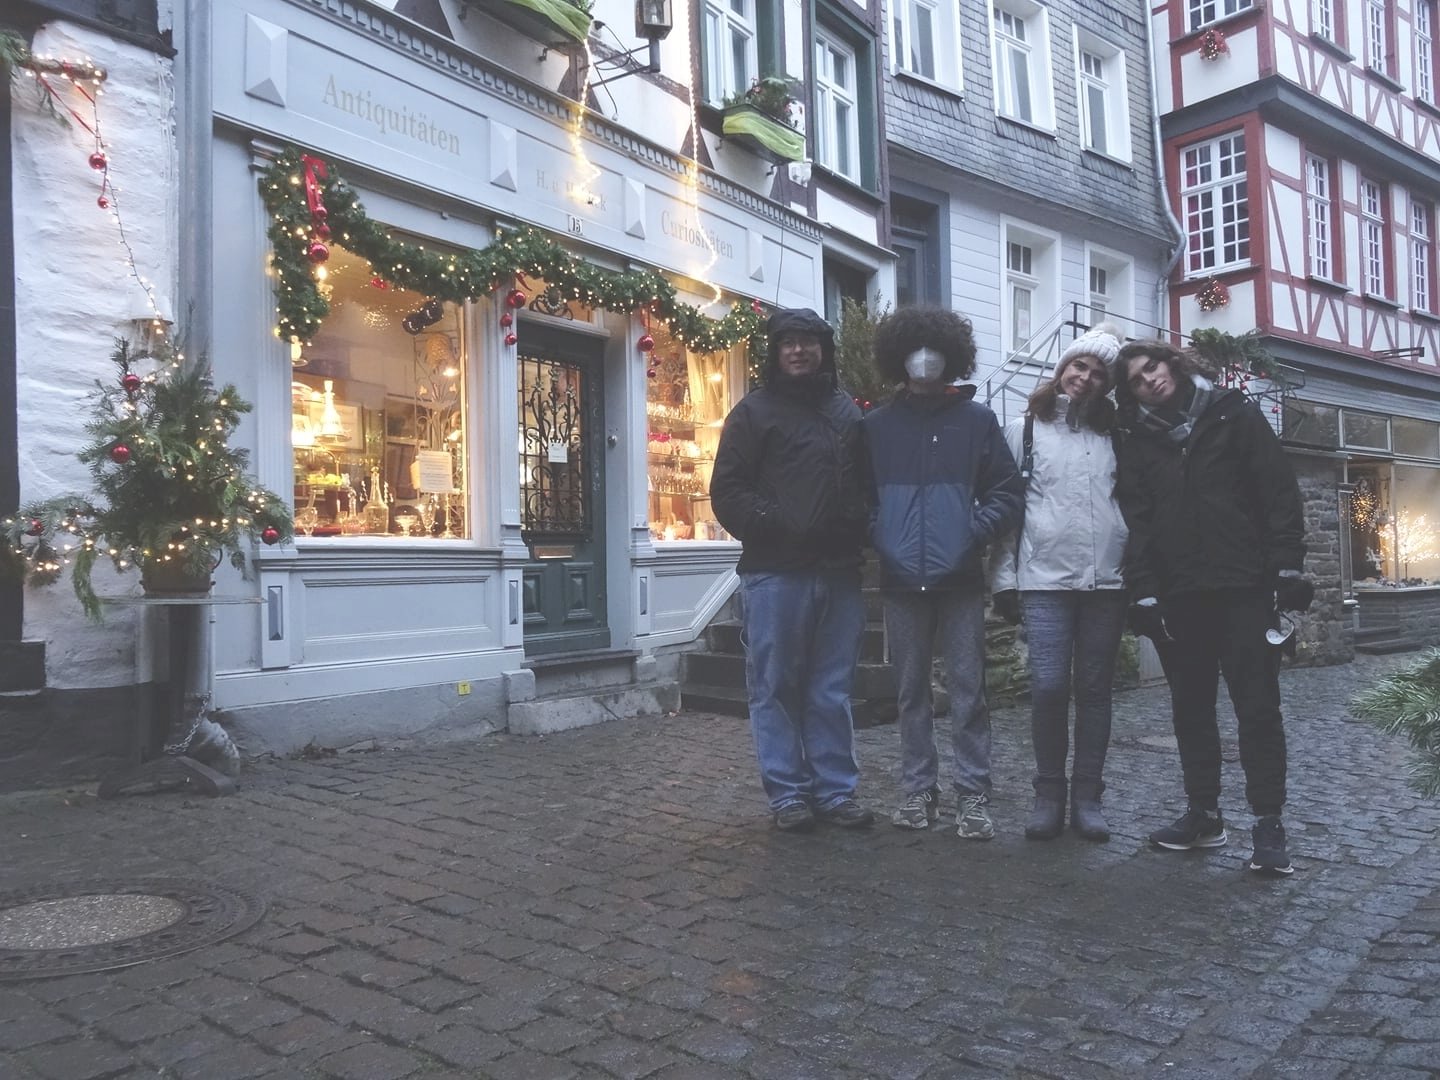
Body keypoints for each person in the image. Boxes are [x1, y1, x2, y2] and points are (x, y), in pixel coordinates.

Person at [1113, 339, 1313, 875]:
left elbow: (1276, 492)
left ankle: (1268, 825)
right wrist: (1144, 589)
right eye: (1135, 378)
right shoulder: (1138, 440)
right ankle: (1204, 815)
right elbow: (1139, 521)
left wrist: (1287, 567)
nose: (1149, 379)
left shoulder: (1232, 413)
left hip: (1244, 588)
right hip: (1182, 597)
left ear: (1171, 363)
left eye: (1152, 366)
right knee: (1192, 712)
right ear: (1130, 392)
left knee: (1258, 710)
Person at [710, 307, 875, 832]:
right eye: (788, 343)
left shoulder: (847, 413)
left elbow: (867, 487)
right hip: (775, 571)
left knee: (831, 687)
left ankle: (835, 791)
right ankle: (788, 794)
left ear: (823, 349)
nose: (799, 350)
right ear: (775, 351)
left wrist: (857, 524)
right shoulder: (753, 413)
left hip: (837, 570)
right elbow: (728, 491)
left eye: (808, 342)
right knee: (775, 686)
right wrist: (776, 523)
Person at [864, 306, 1024, 839]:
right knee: (910, 691)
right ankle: (917, 790)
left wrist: (971, 531)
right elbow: (858, 497)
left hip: (958, 578)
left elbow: (1006, 491)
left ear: (952, 357)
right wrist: (883, 532)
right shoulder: (877, 427)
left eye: (934, 349)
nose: (925, 359)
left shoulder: (977, 421)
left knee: (967, 690)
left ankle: (973, 794)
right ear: (899, 356)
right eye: (914, 348)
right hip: (902, 579)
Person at [989, 324, 1129, 842]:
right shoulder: (1025, 429)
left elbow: (1131, 503)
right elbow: (1010, 511)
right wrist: (1003, 579)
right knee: (1049, 688)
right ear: (1062, 368)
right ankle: (1048, 792)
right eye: (1079, 366)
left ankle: (1088, 796)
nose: (1086, 378)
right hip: (1043, 578)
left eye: (1097, 373)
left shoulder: (1116, 435)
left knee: (1094, 691)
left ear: (1107, 385)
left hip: (1107, 583)